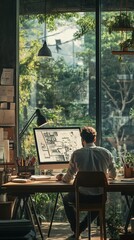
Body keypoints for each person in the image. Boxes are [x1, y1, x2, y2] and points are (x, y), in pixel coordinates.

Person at [56, 126, 116, 240]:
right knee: (99, 203)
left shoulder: (77, 154)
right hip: (99, 197)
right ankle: (80, 228)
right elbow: (114, 175)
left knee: (66, 199)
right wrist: (102, 176)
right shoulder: (106, 153)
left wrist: (61, 177)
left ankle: (77, 229)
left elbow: (68, 178)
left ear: (82, 139)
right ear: (94, 139)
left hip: (81, 197)